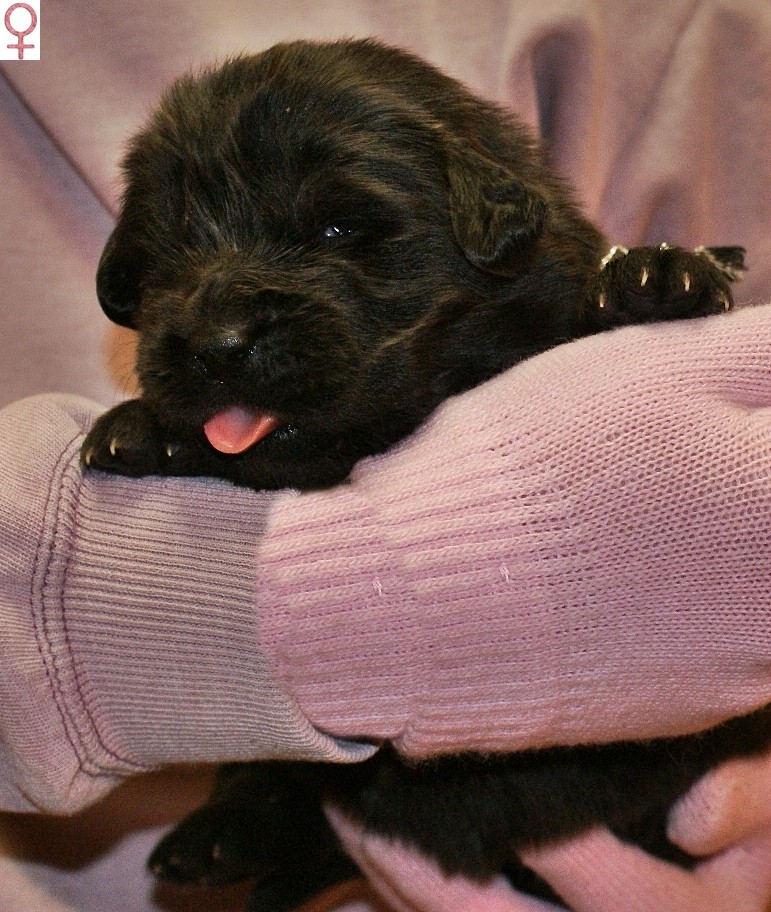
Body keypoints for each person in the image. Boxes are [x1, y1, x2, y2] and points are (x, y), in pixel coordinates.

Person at [1, 1, 770, 910]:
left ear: (488, 216)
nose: (218, 322)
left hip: (654, 793)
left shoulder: (673, 38)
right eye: (175, 250)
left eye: (338, 232)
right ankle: (292, 819)